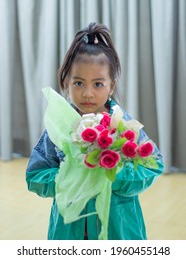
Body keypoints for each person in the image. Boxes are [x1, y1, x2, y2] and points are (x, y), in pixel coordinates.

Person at [26, 22, 164, 240]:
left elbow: (154, 165)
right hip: (69, 230)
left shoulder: (124, 127)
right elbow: (35, 175)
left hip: (118, 229)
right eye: (79, 83)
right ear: (66, 83)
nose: (88, 93)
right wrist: (70, 178)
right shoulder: (58, 129)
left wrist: (113, 177)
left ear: (111, 86)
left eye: (98, 84)